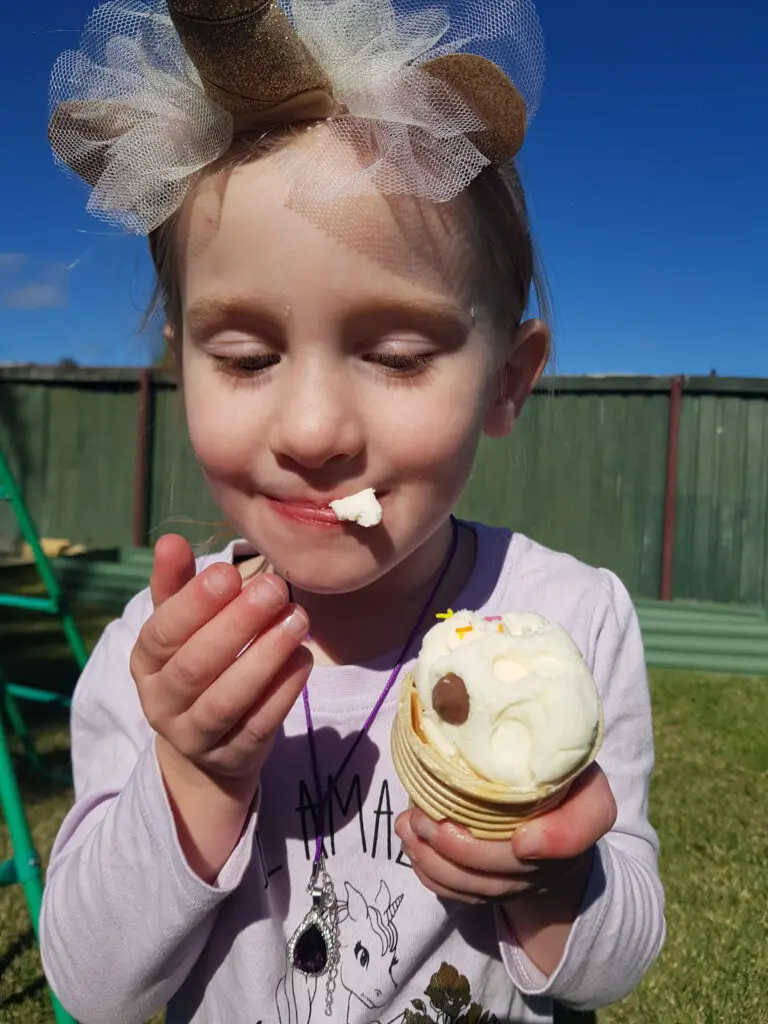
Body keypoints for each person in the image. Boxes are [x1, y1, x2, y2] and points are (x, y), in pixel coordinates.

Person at [40, 1, 665, 1022]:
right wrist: (192, 774)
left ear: (508, 381)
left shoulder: (571, 618)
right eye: (244, 357)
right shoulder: (155, 661)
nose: (317, 427)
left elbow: (620, 956)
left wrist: (553, 879)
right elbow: (91, 985)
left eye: (396, 354)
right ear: (182, 368)